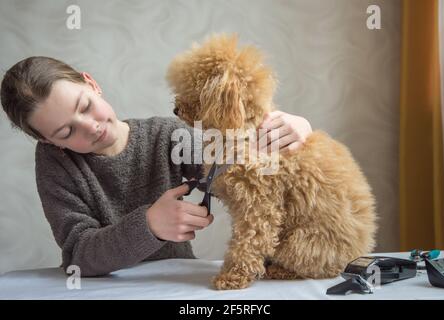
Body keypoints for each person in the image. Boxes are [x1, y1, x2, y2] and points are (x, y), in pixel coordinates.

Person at [0, 56, 313, 277]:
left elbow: (239, 170)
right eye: (66, 132)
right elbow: (79, 257)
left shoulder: (166, 135)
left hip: (173, 285)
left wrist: (294, 135)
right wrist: (148, 225)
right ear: (49, 142)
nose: (90, 127)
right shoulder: (56, 164)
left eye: (85, 106)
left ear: (91, 83)